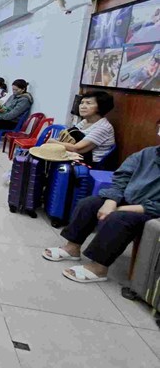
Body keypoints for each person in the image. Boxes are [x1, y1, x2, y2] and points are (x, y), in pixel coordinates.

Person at [43, 120, 160, 283]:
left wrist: (121, 209)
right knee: (89, 204)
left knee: (119, 219)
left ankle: (99, 268)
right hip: (127, 199)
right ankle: (72, 248)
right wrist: (111, 201)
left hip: (151, 212)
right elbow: (122, 176)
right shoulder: (147, 154)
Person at [47, 90, 115, 167]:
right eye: (82, 103)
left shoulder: (103, 127)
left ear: (100, 107)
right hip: (77, 156)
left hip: (89, 164)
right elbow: (71, 136)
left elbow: (78, 149)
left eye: (88, 103)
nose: (82, 106)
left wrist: (54, 142)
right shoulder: (85, 121)